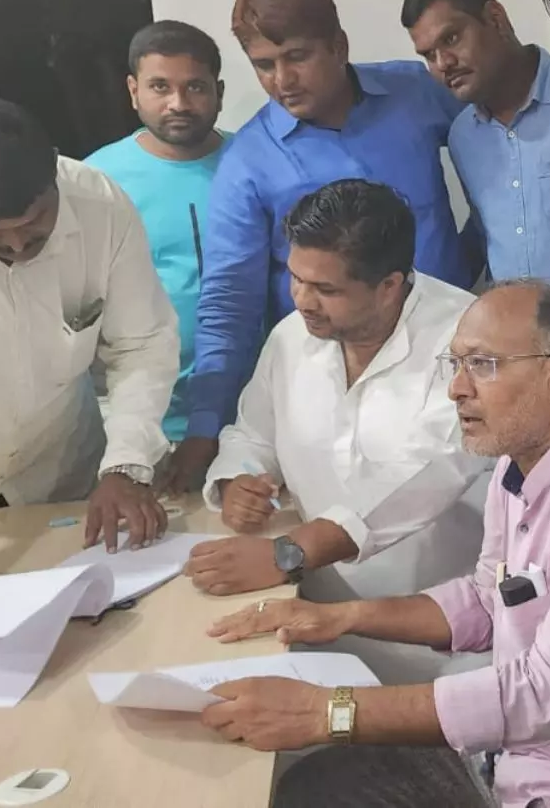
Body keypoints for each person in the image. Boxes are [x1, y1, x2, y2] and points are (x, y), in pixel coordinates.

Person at [200, 280, 550, 808]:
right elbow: (491, 600)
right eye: (456, 363)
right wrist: (341, 617)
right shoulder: (523, 459)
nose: (457, 388)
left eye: (483, 364)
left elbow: (547, 695)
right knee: (314, 783)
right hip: (532, 760)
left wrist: (327, 712)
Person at [186, 0, 474, 491]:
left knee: (451, 501)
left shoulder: (417, 92)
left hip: (448, 357)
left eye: (297, 57)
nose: (282, 80)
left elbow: (499, 145)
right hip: (336, 374)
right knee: (344, 509)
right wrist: (205, 429)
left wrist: (481, 257)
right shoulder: (248, 162)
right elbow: (229, 303)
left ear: (338, 47)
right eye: (264, 65)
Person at [0, 99, 179, 613]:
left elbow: (140, 345)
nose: (17, 245)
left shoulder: (100, 205)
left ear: (54, 170)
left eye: (35, 224)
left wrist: (126, 465)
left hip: (68, 482)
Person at [181, 179, 486, 605]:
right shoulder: (292, 336)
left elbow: (427, 474)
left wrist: (288, 553)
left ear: (389, 286)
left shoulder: (471, 341)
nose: (302, 301)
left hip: (439, 611)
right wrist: (238, 480)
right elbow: (254, 435)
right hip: (309, 596)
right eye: (295, 278)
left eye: (325, 289)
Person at [85, 20, 228, 495]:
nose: (179, 103)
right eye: (160, 86)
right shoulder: (97, 182)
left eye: (195, 87)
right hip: (142, 426)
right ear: (133, 91)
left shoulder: (254, 162)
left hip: (252, 417)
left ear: (219, 90)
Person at [403, 0, 550, 286]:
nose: (443, 63)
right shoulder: (462, 137)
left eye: (451, 38)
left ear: (496, 19)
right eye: (429, 55)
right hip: (510, 317)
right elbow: (486, 235)